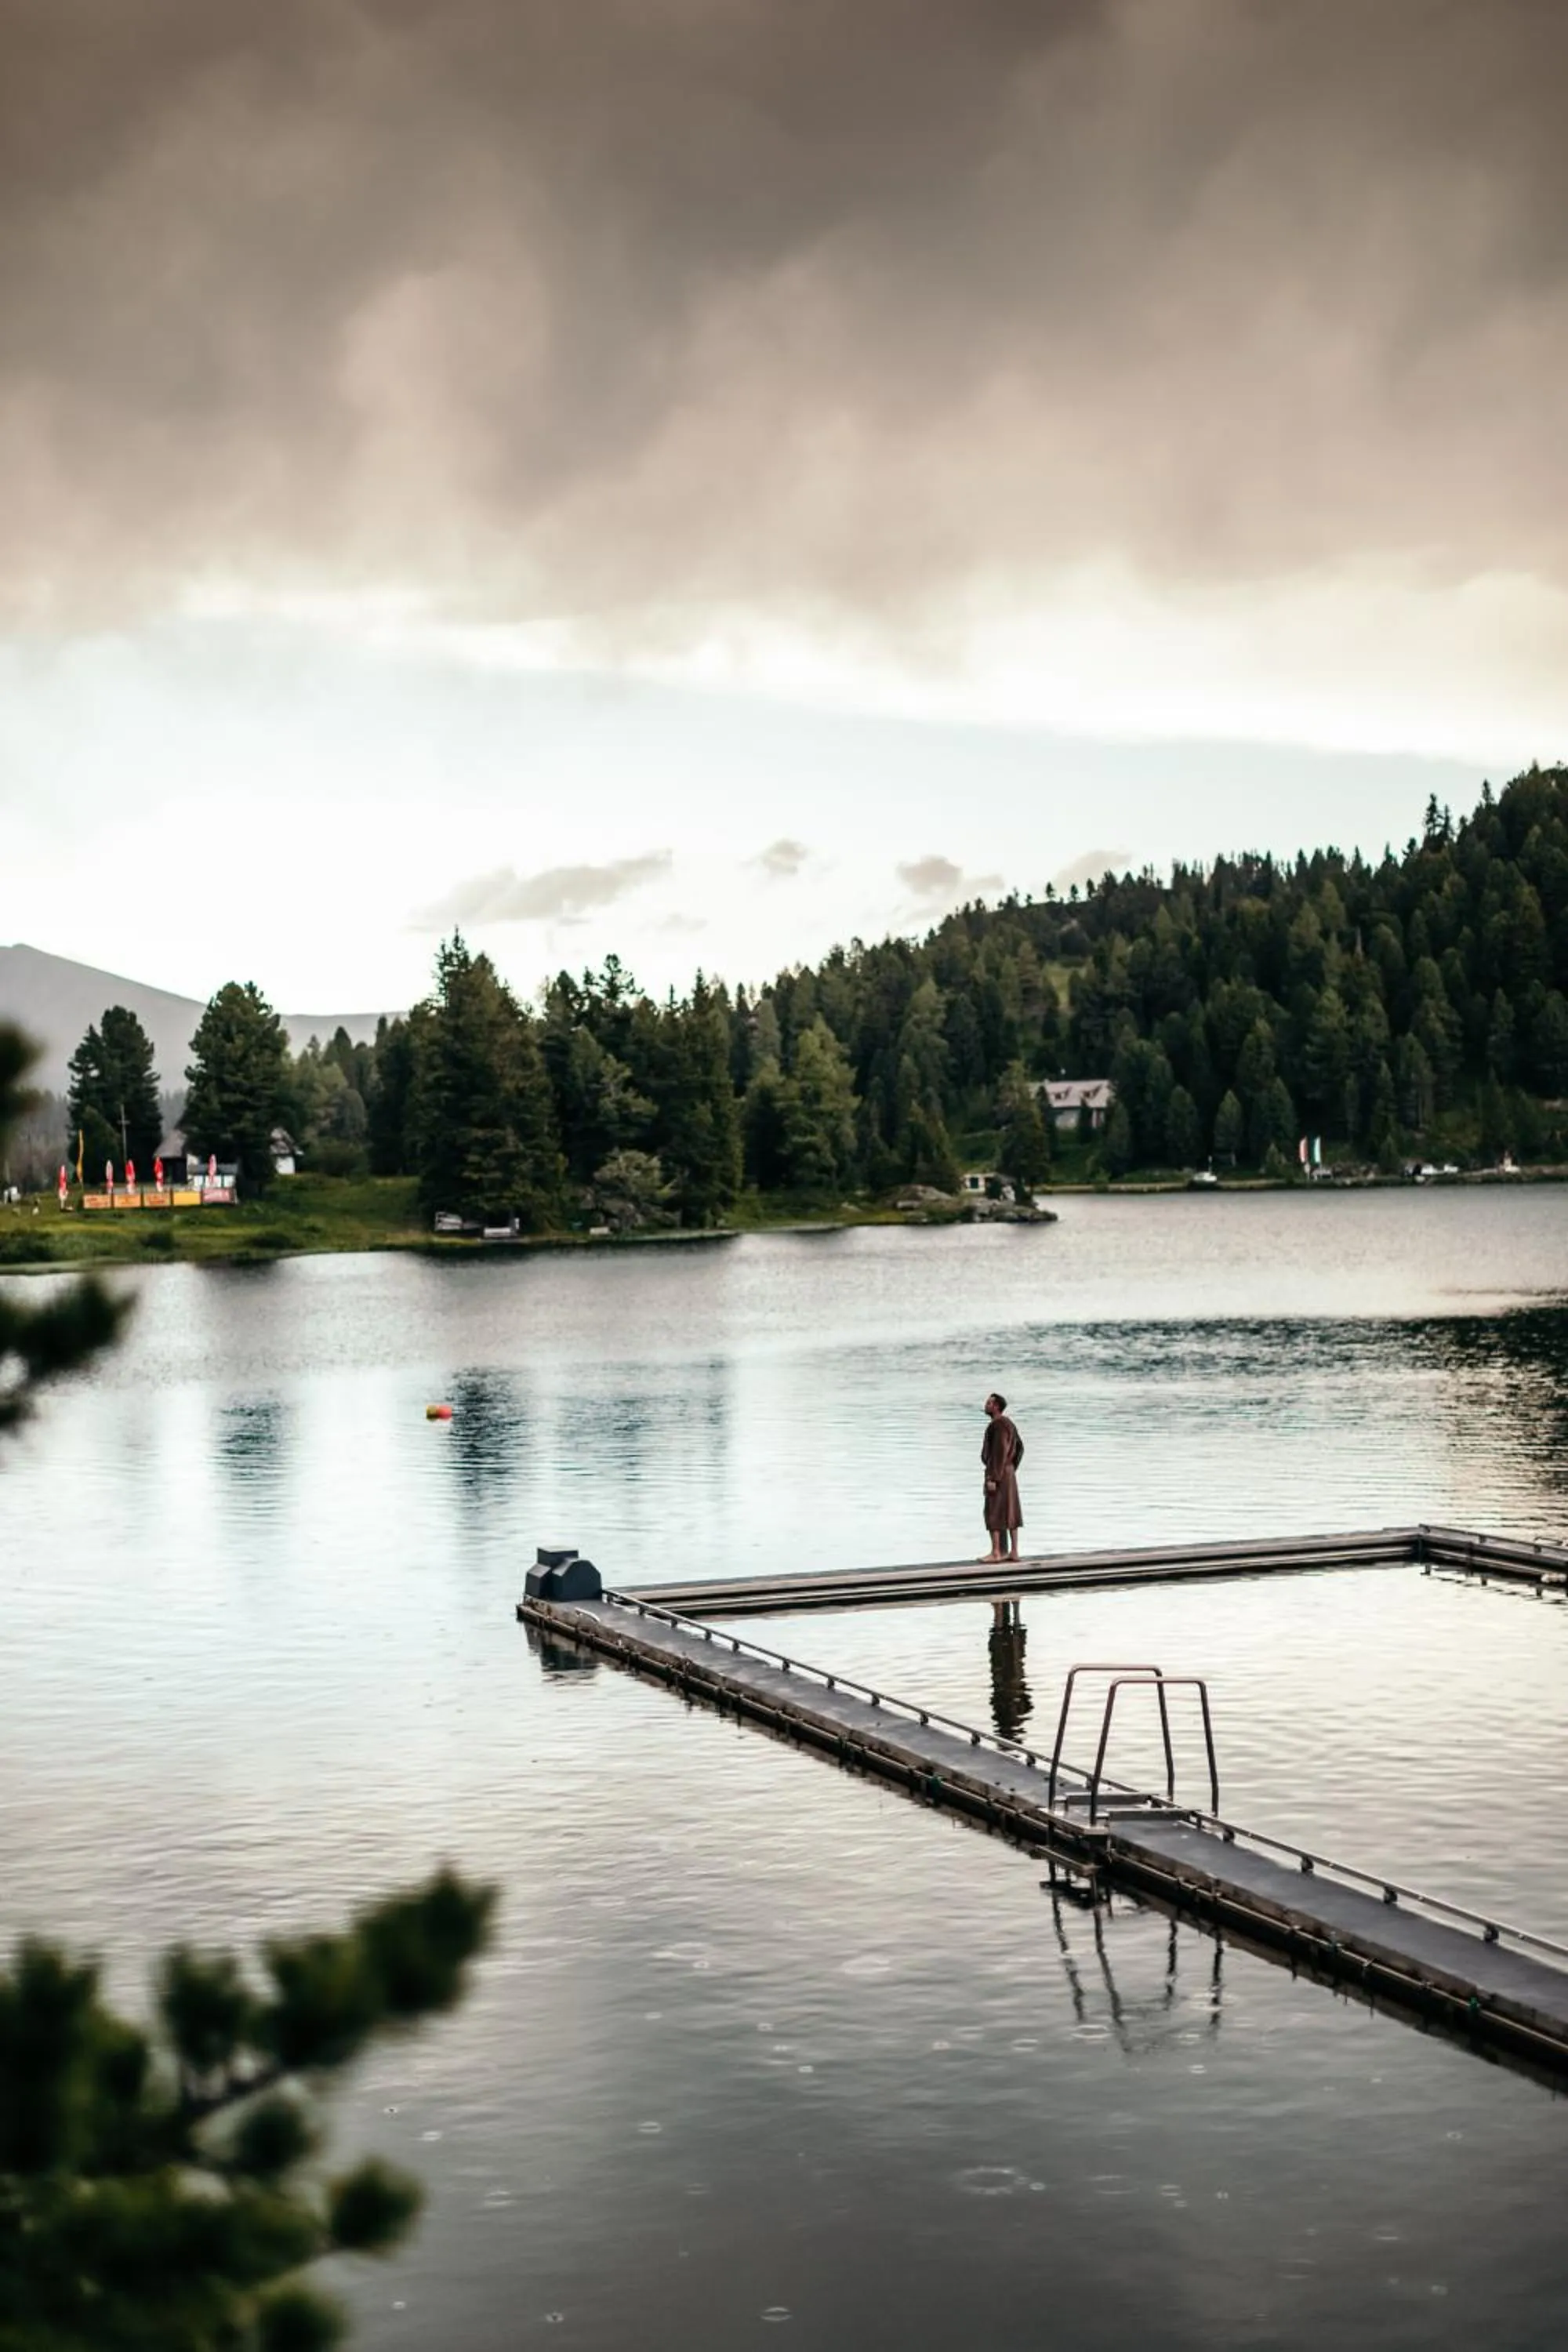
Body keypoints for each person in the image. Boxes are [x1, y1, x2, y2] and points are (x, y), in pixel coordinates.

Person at [978, 1391, 1025, 1563]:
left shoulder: (997, 1425)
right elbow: (1020, 1448)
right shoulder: (1010, 1424)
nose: (986, 1405)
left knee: (994, 1510)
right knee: (1011, 1510)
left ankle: (996, 1552)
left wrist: (993, 1477)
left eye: (989, 1403)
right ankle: (1013, 1552)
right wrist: (1011, 1468)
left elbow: (999, 1452)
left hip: (998, 1473)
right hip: (1009, 1473)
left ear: (996, 1406)